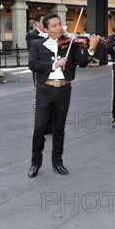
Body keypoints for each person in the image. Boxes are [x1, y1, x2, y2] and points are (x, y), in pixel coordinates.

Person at [27, 13, 99, 178]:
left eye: (60, 24)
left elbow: (82, 62)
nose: (59, 28)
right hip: (45, 90)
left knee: (59, 128)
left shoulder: (71, 44)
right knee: (39, 128)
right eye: (54, 25)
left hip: (64, 90)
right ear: (46, 29)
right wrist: (54, 64)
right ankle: (35, 163)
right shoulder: (37, 44)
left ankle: (57, 162)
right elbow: (33, 65)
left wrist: (92, 49)